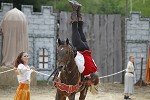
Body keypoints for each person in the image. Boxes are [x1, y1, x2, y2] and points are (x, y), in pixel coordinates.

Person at [69, 0, 99, 86]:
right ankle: (74, 8)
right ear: (91, 79)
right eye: (90, 83)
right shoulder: (84, 71)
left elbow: (92, 59)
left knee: (80, 29)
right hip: (80, 48)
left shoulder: (95, 69)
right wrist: (74, 53)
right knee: (75, 29)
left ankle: (78, 10)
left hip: (86, 47)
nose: (89, 84)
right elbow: (78, 61)